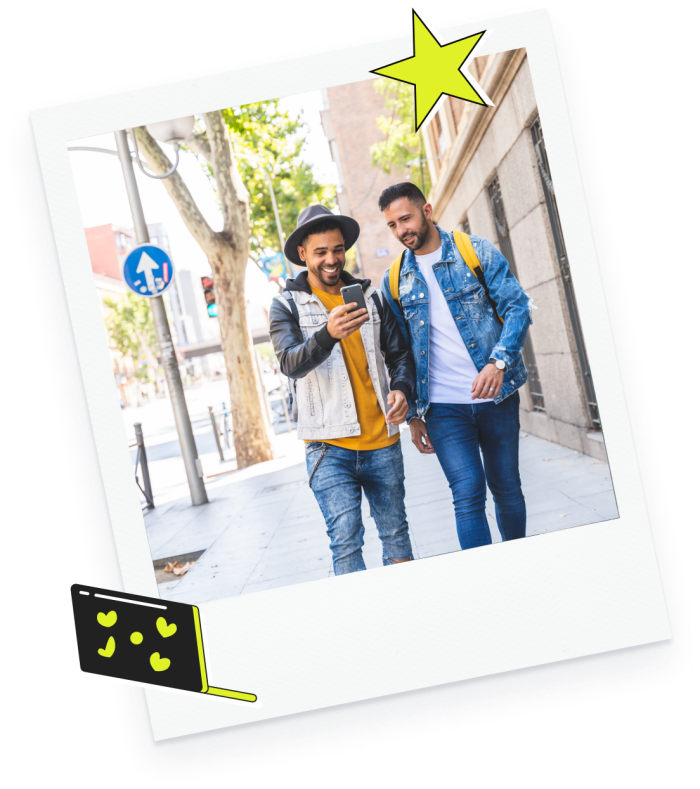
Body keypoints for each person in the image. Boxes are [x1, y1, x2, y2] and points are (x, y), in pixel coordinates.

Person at [378, 182, 532, 551]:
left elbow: (517, 307)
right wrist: (413, 416)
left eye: (406, 219)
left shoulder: (474, 251)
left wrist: (498, 362)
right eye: (393, 225)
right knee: (467, 492)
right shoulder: (394, 280)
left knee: (506, 487)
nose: (401, 231)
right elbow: (400, 354)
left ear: (427, 211)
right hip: (443, 406)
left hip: (496, 396)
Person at [268, 205, 417, 575]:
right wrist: (327, 335)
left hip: (382, 441)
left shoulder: (371, 297)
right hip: (328, 448)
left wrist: (401, 390)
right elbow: (289, 363)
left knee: (397, 536)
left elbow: (399, 354)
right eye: (320, 252)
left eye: (337, 249)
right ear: (302, 254)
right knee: (346, 542)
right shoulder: (286, 305)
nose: (331, 259)